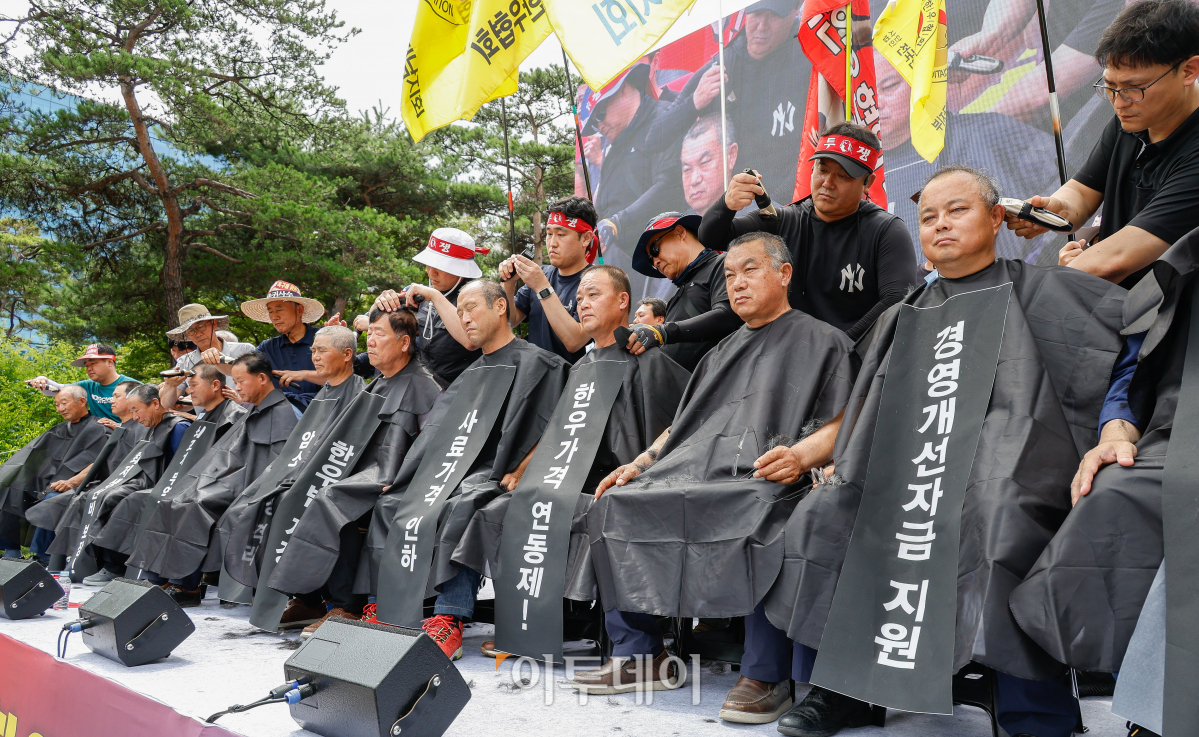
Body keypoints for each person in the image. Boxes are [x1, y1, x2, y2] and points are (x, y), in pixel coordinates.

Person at [761, 166, 1125, 736]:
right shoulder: (906, 311)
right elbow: (868, 410)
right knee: (828, 515)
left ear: (997, 219)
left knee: (1002, 518)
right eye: (928, 217)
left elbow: (1107, 351)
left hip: (1003, 470)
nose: (940, 225)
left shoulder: (1042, 288)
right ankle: (846, 689)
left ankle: (1032, 707)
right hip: (908, 470)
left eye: (957, 210)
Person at [568, 233, 856, 720]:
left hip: (768, 474)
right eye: (729, 275)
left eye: (750, 270)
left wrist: (802, 456)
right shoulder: (720, 351)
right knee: (615, 501)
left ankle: (764, 674)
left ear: (783, 274)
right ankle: (642, 654)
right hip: (695, 470)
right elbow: (681, 426)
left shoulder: (824, 340)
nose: (737, 284)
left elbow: (846, 418)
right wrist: (640, 463)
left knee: (760, 512)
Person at [447, 265, 692, 658]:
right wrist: (525, 468)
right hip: (571, 476)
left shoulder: (651, 360)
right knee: (502, 507)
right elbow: (559, 428)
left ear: (623, 301)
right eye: (578, 298)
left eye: (593, 294)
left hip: (625, 480)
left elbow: (679, 428)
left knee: (589, 508)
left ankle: (634, 648)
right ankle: (531, 624)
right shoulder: (582, 366)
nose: (582, 303)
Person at [1009, 234, 1199, 735]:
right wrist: (1115, 432)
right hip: (1175, 436)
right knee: (1111, 492)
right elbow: (1135, 373)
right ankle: (1140, 700)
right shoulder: (1183, 268)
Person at [364, 279, 570, 659]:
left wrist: (526, 466)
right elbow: (437, 435)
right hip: (455, 468)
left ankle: (449, 619)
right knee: (394, 502)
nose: (464, 317)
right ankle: (390, 606)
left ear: (500, 307)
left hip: (499, 471)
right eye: (458, 311)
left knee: (464, 502)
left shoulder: (541, 362)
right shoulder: (471, 371)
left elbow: (560, 424)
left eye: (471, 307)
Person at [259, 313, 443, 635]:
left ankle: (345, 606)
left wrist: (399, 481)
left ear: (404, 343)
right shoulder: (378, 384)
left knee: (333, 497)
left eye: (379, 334)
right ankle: (309, 597)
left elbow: (434, 447)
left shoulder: (425, 385)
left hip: (398, 480)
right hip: (363, 471)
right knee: (295, 491)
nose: (369, 341)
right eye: (369, 333)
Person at [1007, 0, 1199, 289]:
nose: (1119, 102)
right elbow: (1083, 192)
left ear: (1189, 70)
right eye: (1109, 86)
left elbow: (1116, 260)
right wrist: (1057, 209)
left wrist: (1069, 274)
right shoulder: (1134, 117)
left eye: (1134, 88)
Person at [699, 122, 919, 341]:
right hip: (785, 355)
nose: (828, 183)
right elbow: (712, 237)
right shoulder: (783, 220)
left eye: (842, 176)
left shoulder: (886, 230)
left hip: (857, 362)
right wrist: (727, 204)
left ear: (867, 182)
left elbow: (897, 300)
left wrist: (840, 348)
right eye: (822, 170)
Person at [128, 351, 300, 606]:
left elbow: (283, 465)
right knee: (173, 499)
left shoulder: (289, 413)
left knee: (195, 504)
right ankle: (160, 579)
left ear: (262, 378)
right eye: (236, 381)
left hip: (256, 486)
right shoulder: (254, 410)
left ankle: (187, 588)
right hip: (233, 480)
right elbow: (228, 456)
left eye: (241, 381)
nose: (237, 387)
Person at [645, 0, 809, 208]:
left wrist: (773, 208)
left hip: (790, 204)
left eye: (773, 16)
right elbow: (654, 139)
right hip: (735, 209)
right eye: (756, 14)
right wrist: (694, 102)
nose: (761, 26)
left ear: (795, 10)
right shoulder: (725, 61)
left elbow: (817, 143)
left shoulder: (808, 53)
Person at [68, 384, 190, 586]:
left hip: (168, 488)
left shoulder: (178, 427)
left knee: (126, 500)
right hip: (146, 480)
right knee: (103, 494)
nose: (135, 417)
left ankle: (114, 566)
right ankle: (92, 561)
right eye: (131, 411)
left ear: (155, 403)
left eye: (136, 410)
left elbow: (183, 468)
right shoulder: (152, 426)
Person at [585, 63, 686, 300]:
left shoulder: (663, 118)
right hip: (618, 260)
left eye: (600, 114)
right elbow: (605, 205)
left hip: (656, 261)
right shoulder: (613, 143)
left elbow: (669, 187)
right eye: (593, 124)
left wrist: (617, 223)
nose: (599, 126)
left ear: (623, 90)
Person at [0, 386, 111, 558]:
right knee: (10, 488)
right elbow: (32, 456)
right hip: (49, 480)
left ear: (82, 401)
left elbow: (100, 463)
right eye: (57, 404)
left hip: (82, 483)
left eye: (64, 403)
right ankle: (11, 550)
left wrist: (71, 481)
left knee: (52, 500)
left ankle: (43, 557)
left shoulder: (101, 428)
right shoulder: (59, 429)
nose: (60, 408)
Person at [625, 212, 742, 372]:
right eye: (651, 259)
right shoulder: (675, 299)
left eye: (655, 248)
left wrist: (663, 332)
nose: (655, 261)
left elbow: (726, 316)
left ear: (680, 232)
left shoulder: (722, 264)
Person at [369, 228, 484, 385]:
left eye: (441, 267)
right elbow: (373, 319)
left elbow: (471, 341)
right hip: (421, 388)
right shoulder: (419, 295)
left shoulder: (479, 296)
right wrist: (382, 301)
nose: (431, 272)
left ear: (461, 269)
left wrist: (435, 297)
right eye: (429, 265)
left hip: (461, 391)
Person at [500, 197, 596, 364]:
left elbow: (575, 341)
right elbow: (510, 321)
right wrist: (508, 283)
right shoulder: (542, 273)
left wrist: (542, 287)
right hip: (534, 379)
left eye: (561, 234)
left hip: (574, 382)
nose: (552, 243)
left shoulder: (599, 280)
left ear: (586, 238)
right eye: (549, 234)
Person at [240, 280, 327, 410]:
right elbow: (242, 367)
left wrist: (303, 374)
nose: (274, 317)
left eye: (279, 309)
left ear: (299, 309)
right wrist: (217, 360)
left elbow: (341, 377)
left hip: (321, 411)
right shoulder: (267, 347)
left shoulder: (323, 339)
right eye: (270, 311)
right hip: (279, 414)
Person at [158, 304, 254, 408]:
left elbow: (260, 384)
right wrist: (170, 385)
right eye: (191, 331)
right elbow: (166, 404)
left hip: (248, 420)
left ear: (214, 324)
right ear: (186, 335)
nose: (198, 334)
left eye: (201, 326)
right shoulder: (184, 362)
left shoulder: (245, 350)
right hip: (208, 423)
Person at [26, 343, 140, 422]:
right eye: (86, 365)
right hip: (101, 439)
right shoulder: (88, 386)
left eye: (93, 363)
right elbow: (57, 389)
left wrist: (120, 427)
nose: (89, 369)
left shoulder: (133, 386)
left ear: (110, 362)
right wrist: (42, 380)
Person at [681, 115, 739, 216]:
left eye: (704, 162)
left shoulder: (759, 221)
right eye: (687, 169)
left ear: (731, 156)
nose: (694, 180)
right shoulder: (681, 227)